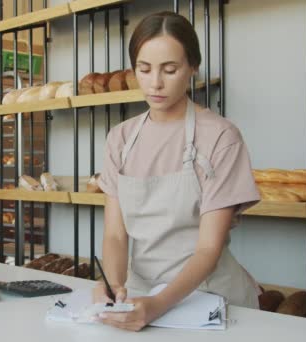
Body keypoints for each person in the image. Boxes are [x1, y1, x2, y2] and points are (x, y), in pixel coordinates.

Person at [93, 11, 261, 332]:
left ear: (193, 67)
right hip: (139, 294)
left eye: (170, 70)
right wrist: (113, 286)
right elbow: (115, 234)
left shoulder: (221, 137)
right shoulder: (120, 139)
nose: (155, 83)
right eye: (144, 70)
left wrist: (158, 305)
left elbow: (208, 248)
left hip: (208, 296)